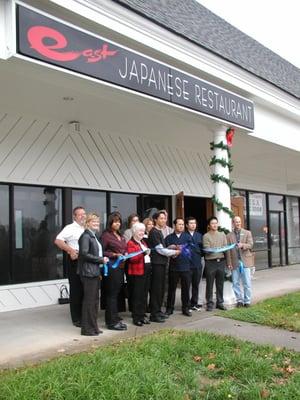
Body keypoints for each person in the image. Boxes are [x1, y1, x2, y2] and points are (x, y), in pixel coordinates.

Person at [54, 206, 86, 327]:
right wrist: (70, 250)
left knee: (85, 289)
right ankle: (76, 319)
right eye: (80, 214)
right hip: (75, 260)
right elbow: (58, 240)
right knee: (76, 289)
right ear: (74, 216)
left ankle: (84, 315)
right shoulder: (70, 228)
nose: (83, 216)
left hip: (86, 260)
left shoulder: (86, 228)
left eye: (84, 214)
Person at [78, 213, 109, 336]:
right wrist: (100, 260)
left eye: (97, 222)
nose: (96, 224)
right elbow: (84, 254)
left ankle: (94, 327)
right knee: (89, 302)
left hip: (95, 272)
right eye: (93, 222)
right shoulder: (85, 236)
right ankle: (87, 329)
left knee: (95, 301)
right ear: (87, 223)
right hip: (88, 273)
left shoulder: (93, 236)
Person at [148, 211, 180, 322]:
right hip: (156, 264)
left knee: (161, 289)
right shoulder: (154, 232)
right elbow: (160, 250)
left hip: (162, 264)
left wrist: (170, 247)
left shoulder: (159, 232)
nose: (164, 220)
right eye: (161, 218)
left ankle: (158, 311)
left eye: (165, 218)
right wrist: (174, 253)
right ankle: (154, 314)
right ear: (155, 220)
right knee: (156, 290)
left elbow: (162, 247)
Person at [101, 212, 127, 331]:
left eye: (119, 221)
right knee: (111, 295)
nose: (118, 223)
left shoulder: (120, 235)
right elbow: (102, 251)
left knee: (116, 294)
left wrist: (125, 253)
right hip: (111, 267)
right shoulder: (106, 235)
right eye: (115, 221)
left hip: (121, 267)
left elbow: (124, 248)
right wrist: (114, 254)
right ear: (110, 222)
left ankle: (115, 317)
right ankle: (111, 322)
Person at [165, 218, 192, 316]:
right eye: (179, 224)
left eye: (182, 224)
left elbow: (190, 249)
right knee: (171, 289)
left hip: (185, 266)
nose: (181, 226)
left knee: (185, 288)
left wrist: (181, 248)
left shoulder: (187, 237)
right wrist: (171, 248)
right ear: (174, 225)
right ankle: (169, 309)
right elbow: (165, 251)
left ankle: (186, 308)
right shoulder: (169, 238)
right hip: (174, 267)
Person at [203, 216, 230, 311]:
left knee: (220, 284)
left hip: (221, 261)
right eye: (212, 223)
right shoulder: (206, 236)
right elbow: (207, 249)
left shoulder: (222, 235)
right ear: (209, 226)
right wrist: (214, 249)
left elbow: (226, 249)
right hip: (211, 262)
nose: (214, 225)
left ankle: (220, 302)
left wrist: (228, 262)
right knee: (209, 284)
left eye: (216, 223)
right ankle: (209, 303)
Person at [126, 223, 151, 326]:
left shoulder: (143, 242)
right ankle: (136, 317)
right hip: (137, 272)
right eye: (140, 231)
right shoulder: (130, 243)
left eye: (143, 231)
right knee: (137, 296)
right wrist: (143, 253)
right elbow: (132, 259)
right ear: (134, 231)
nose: (142, 233)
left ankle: (142, 315)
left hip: (146, 270)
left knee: (144, 295)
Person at [227, 216, 254, 307]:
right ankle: (239, 300)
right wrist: (229, 263)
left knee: (247, 283)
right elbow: (228, 251)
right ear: (233, 223)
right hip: (235, 262)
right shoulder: (229, 235)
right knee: (235, 283)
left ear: (241, 223)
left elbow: (250, 245)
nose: (237, 223)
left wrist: (243, 245)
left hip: (246, 261)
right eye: (235, 222)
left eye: (239, 222)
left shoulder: (247, 233)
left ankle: (247, 301)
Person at [185, 217, 203, 311]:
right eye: (191, 223)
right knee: (187, 285)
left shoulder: (199, 235)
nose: (193, 225)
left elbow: (202, 249)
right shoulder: (184, 235)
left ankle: (194, 303)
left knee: (196, 284)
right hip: (187, 264)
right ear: (187, 225)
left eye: (194, 223)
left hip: (197, 264)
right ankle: (186, 304)